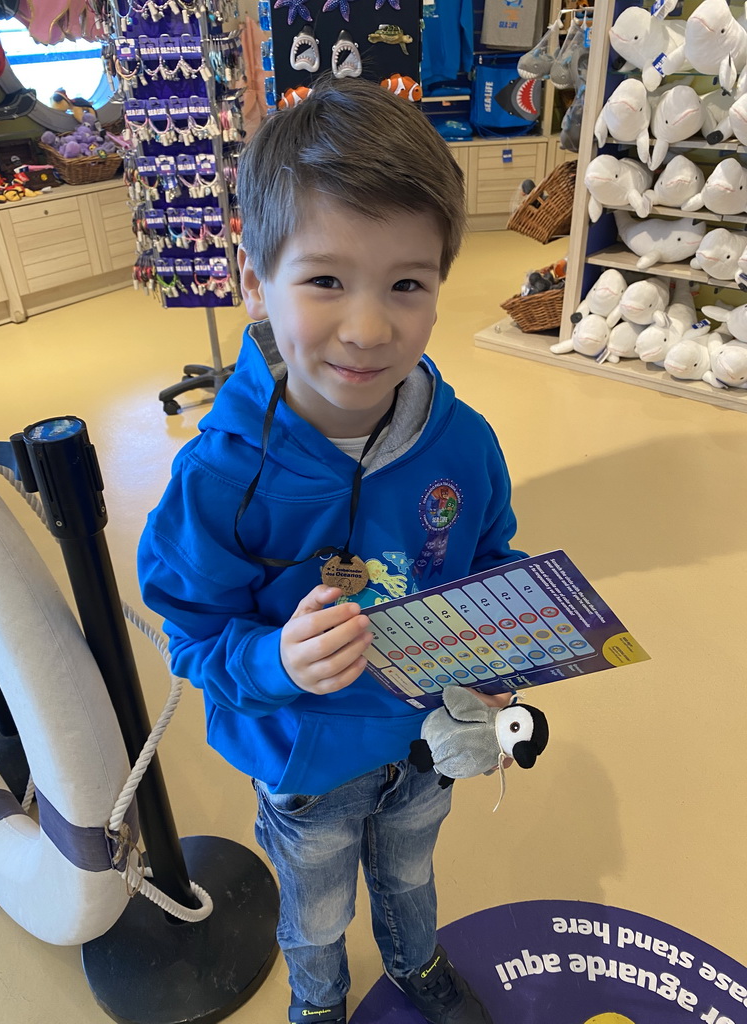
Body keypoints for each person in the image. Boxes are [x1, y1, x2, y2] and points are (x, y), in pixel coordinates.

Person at [137, 75, 527, 1024]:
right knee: (313, 914)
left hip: (424, 746)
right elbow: (186, 632)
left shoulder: (464, 442)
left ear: (441, 287)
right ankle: (317, 1004)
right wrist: (275, 660)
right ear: (253, 278)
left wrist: (505, 650)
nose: (366, 327)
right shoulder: (220, 480)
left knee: (410, 877)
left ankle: (418, 966)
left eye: (407, 284)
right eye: (324, 280)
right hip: (303, 766)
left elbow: (489, 556)